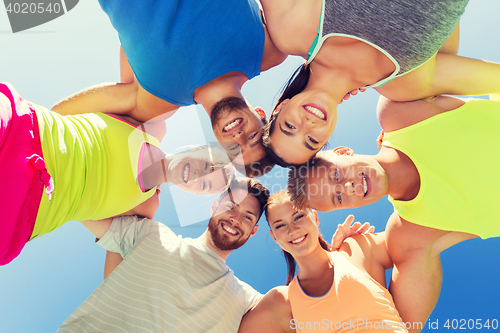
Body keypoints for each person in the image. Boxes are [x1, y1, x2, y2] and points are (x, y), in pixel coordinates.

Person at [287, 95, 500, 330]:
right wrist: (347, 259)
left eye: (336, 175)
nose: (348, 187)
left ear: (343, 152)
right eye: (338, 198)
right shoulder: (409, 236)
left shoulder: (399, 114)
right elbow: (401, 326)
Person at [0, 82, 234, 265]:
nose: (198, 177)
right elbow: (63, 111)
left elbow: (117, 258)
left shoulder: (145, 208)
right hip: (22, 131)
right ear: (198, 148)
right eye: (207, 165)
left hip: (21, 213)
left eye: (205, 185)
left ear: (193, 193)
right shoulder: (152, 125)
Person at [51, 0, 287, 172]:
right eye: (254, 136)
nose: (240, 137)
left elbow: (58, 116)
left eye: (235, 150)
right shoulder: (270, 50)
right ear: (260, 114)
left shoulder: (157, 103)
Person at [259, 0, 500, 166]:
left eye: (289, 126)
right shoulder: (404, 86)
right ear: (329, 134)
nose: (307, 125)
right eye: (312, 140)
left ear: (281, 107)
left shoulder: (290, 32)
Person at [57, 178, 270, 332]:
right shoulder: (151, 233)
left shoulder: (246, 301)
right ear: (214, 207)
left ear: (253, 231)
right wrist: (137, 204)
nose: (235, 218)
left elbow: (296, 314)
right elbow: (81, 206)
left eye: (248, 217)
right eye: (230, 206)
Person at [238, 190, 414, 333]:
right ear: (274, 237)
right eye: (280, 225)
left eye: (298, 217)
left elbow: (418, 241)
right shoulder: (282, 301)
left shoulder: (354, 251)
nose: (293, 230)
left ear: (315, 217)